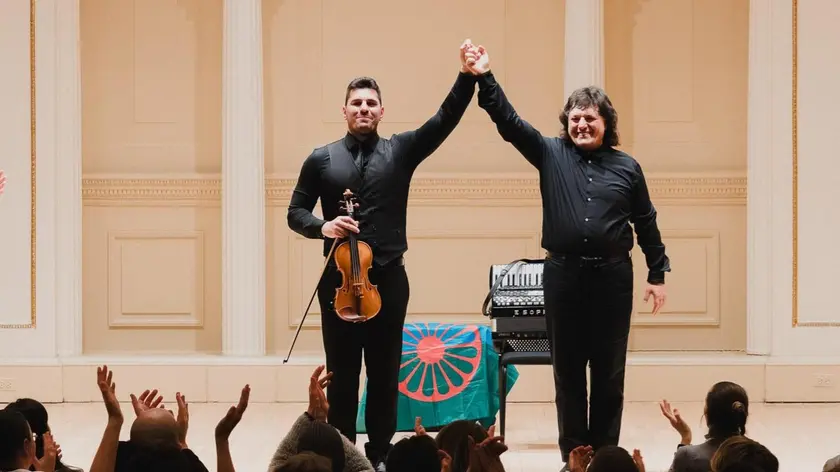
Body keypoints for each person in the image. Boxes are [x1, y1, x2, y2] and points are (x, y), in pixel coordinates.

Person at [460, 44, 670, 471]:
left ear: (606, 123)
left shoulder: (628, 167)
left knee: (609, 374)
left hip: (613, 279)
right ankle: (574, 460)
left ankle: (606, 460)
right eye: (574, 118)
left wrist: (657, 272)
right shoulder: (550, 154)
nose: (581, 124)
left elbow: (645, 221)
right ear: (566, 123)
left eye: (589, 118)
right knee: (569, 374)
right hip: (563, 276)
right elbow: (510, 123)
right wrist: (485, 76)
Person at [287, 40, 480, 471]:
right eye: (356, 103)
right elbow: (295, 212)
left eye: (371, 103)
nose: (364, 109)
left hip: (388, 279)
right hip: (338, 282)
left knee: (384, 372)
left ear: (381, 111)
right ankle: (343, 452)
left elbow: (443, 120)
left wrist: (466, 78)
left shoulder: (401, 150)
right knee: (341, 373)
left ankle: (378, 454)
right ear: (344, 110)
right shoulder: (321, 159)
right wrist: (324, 226)